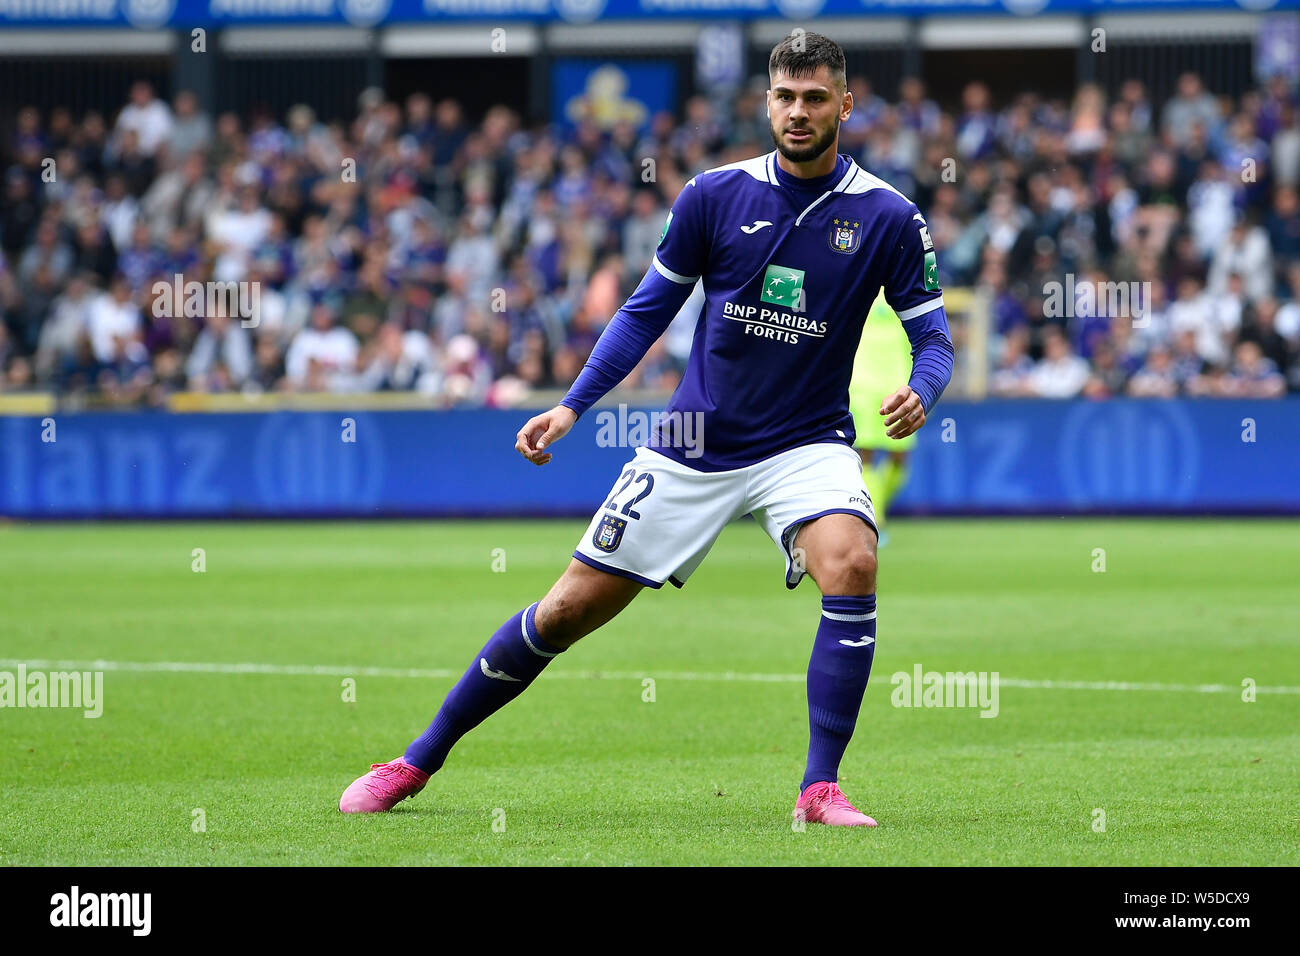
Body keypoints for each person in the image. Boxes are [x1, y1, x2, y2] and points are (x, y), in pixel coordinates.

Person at [340, 33, 955, 827]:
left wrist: (923, 390)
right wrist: (572, 405)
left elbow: (933, 337)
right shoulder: (712, 195)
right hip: (695, 442)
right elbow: (645, 312)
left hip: (808, 443)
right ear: (766, 102)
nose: (797, 112)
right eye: (784, 97)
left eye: (813, 98)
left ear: (844, 104)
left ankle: (818, 788)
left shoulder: (888, 216)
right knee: (564, 611)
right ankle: (415, 761)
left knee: (854, 560)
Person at [849, 292, 918, 544]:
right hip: (862, 385)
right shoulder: (858, 279)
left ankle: (875, 508)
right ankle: (875, 520)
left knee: (900, 459)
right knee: (865, 455)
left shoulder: (904, 286)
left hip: (898, 386)